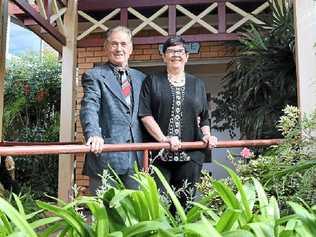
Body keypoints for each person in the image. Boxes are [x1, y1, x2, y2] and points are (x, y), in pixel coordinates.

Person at [138, 36, 218, 208]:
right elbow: (145, 114)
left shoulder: (197, 84)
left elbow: (204, 116)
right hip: (158, 156)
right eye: (171, 51)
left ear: (187, 56)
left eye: (180, 51)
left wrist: (207, 135)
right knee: (157, 205)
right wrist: (163, 139)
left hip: (190, 156)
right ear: (164, 56)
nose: (176, 54)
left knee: (185, 205)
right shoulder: (152, 81)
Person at [80, 26, 146, 195]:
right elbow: (90, 106)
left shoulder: (142, 78)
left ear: (130, 48)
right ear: (106, 47)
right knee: (105, 215)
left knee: (136, 216)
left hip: (137, 159)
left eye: (123, 44)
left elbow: (150, 113)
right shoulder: (94, 76)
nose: (119, 49)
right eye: (114, 44)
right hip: (106, 157)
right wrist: (93, 134)